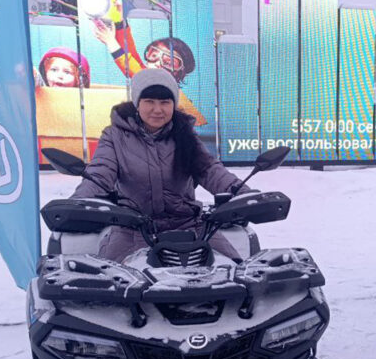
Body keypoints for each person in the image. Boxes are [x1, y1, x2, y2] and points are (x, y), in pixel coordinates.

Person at [71, 68, 246, 262]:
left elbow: (210, 170)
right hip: (133, 228)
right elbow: (100, 172)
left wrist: (244, 194)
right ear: (137, 103)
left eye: (165, 102)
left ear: (173, 104)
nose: (157, 109)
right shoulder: (114, 136)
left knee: (236, 271)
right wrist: (79, 203)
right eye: (149, 102)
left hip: (189, 225)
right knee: (110, 281)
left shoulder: (185, 134)